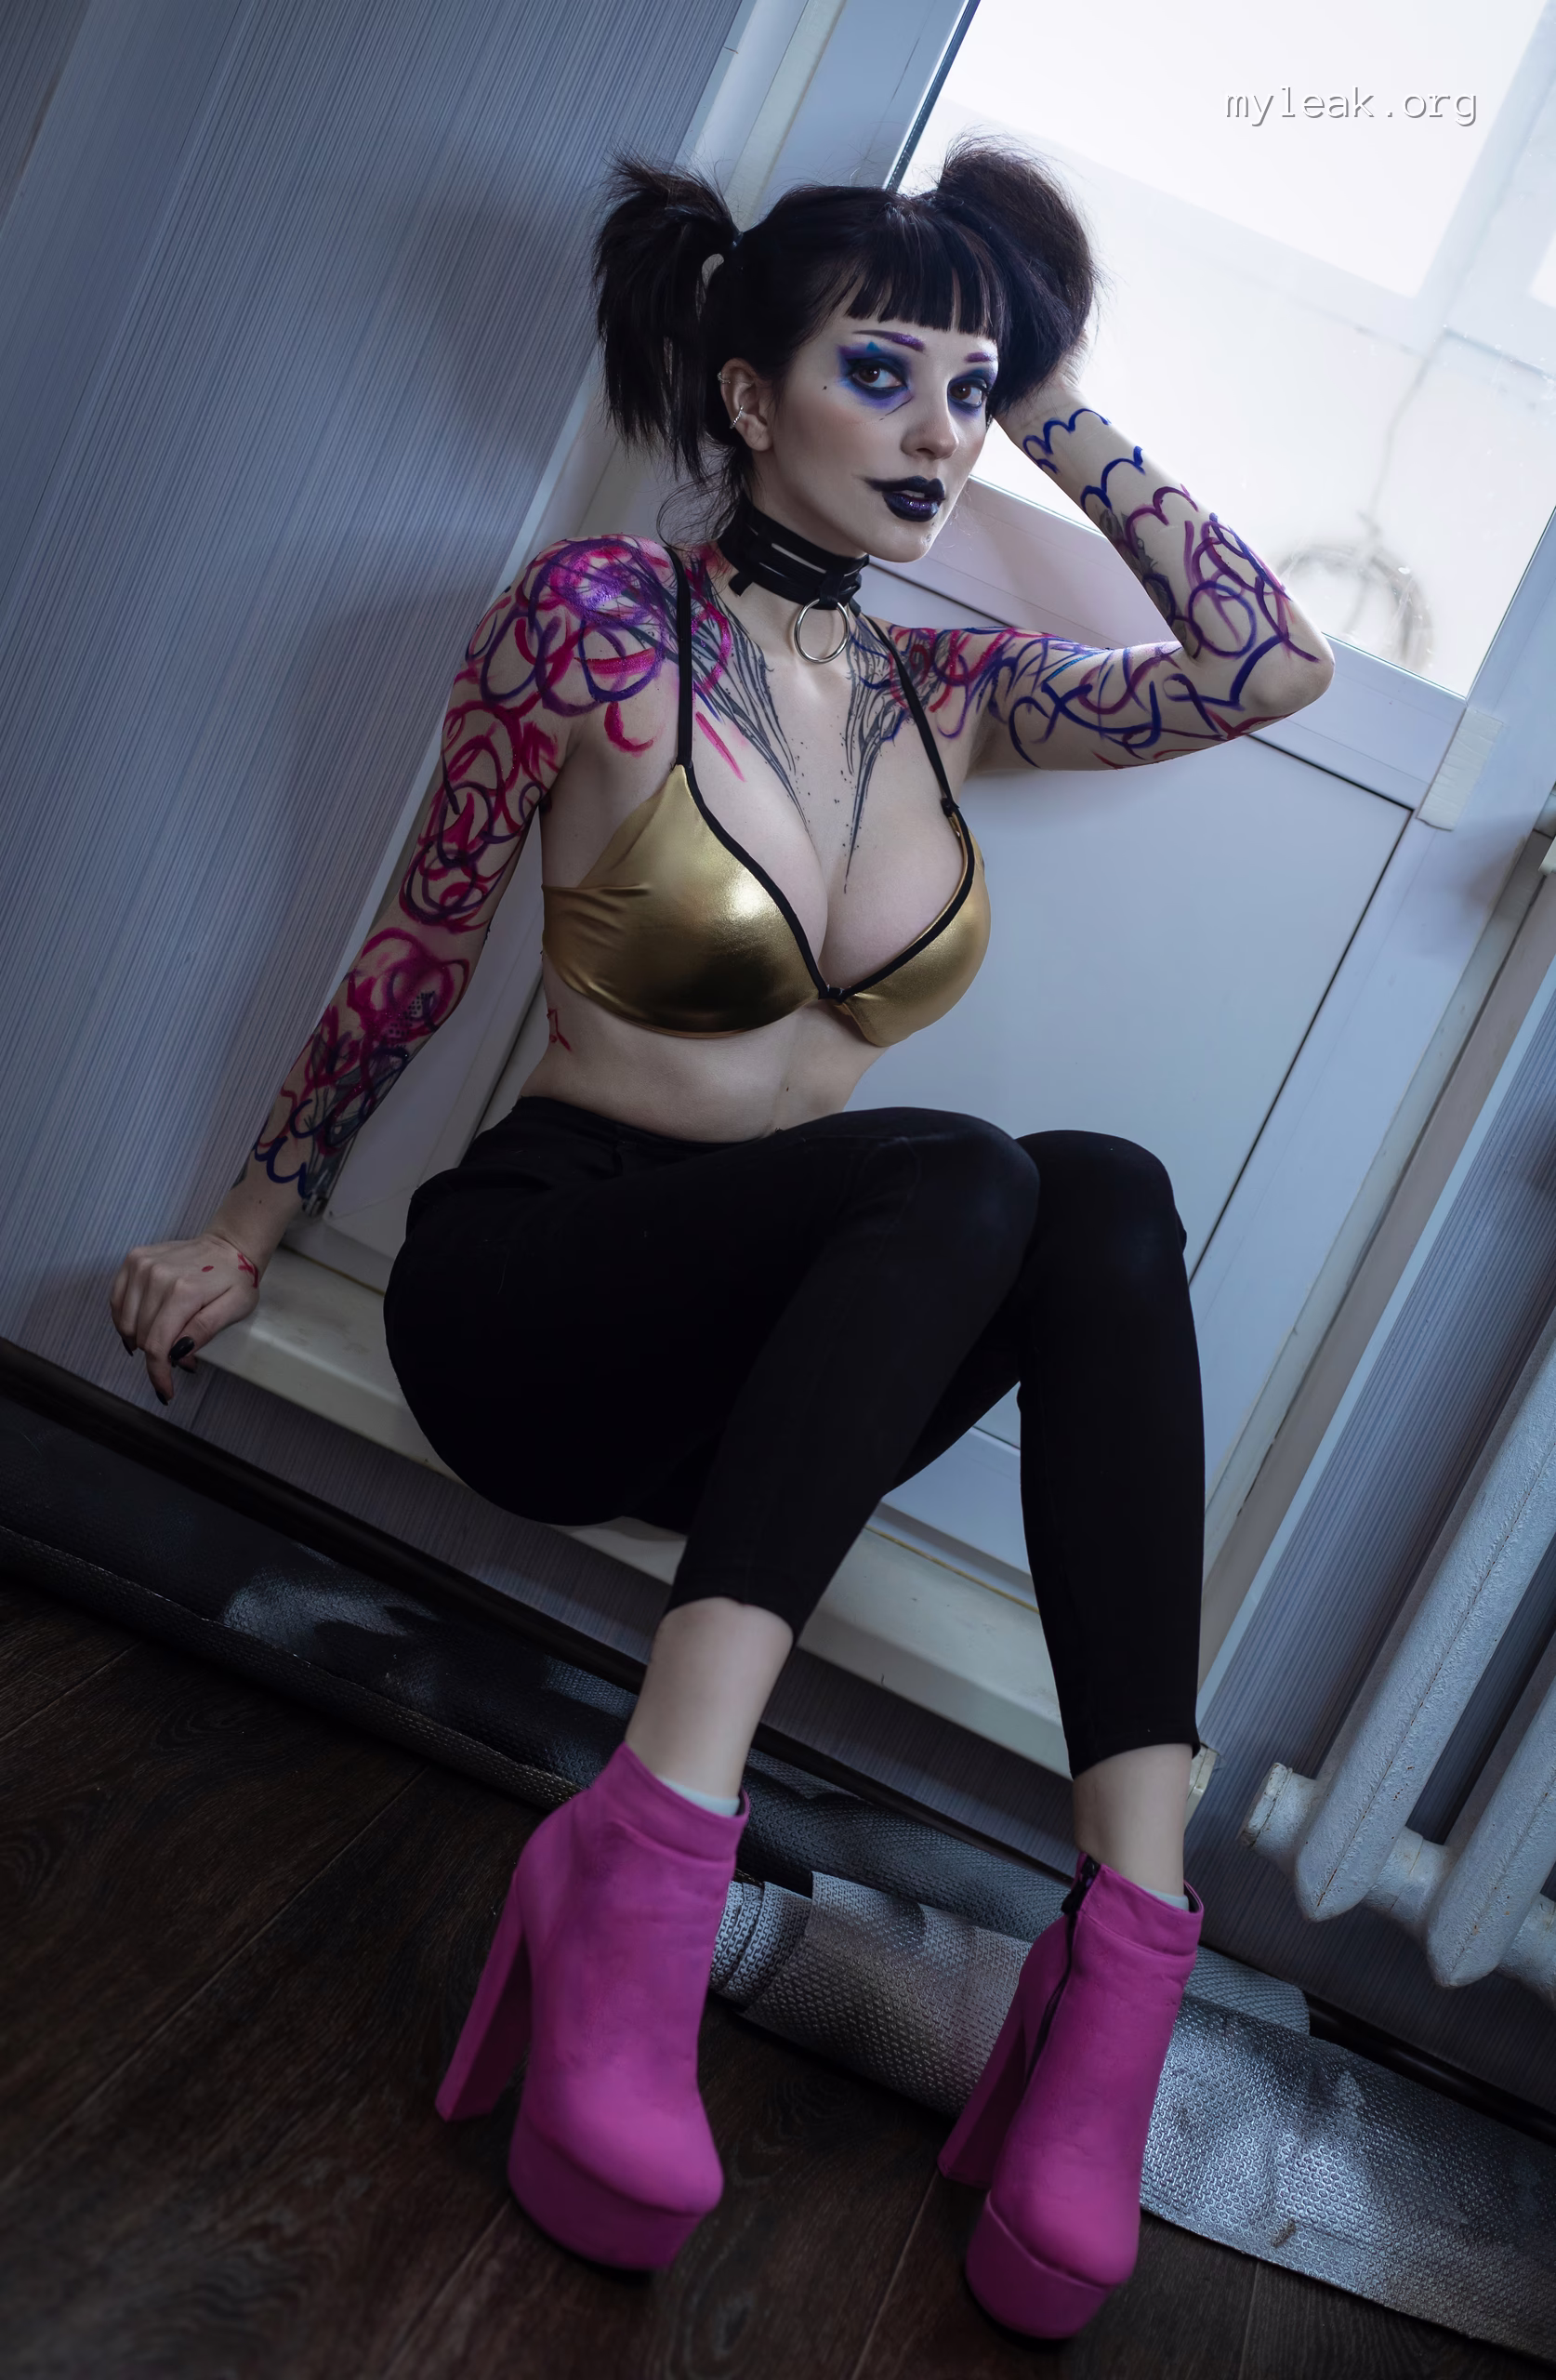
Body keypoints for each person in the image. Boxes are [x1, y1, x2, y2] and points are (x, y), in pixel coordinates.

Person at [111, 142, 1333, 2337]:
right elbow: (418, 945)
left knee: (1103, 1193)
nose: (941, 433)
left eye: (968, 393)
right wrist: (247, 1224)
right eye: (885, 373)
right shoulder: (594, 622)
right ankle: (653, 1835)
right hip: (542, 1298)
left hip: (777, 1383)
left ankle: (1121, 1965)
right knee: (964, 1167)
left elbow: (1272, 662)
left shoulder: (952, 693)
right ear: (749, 396)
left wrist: (1045, 382)